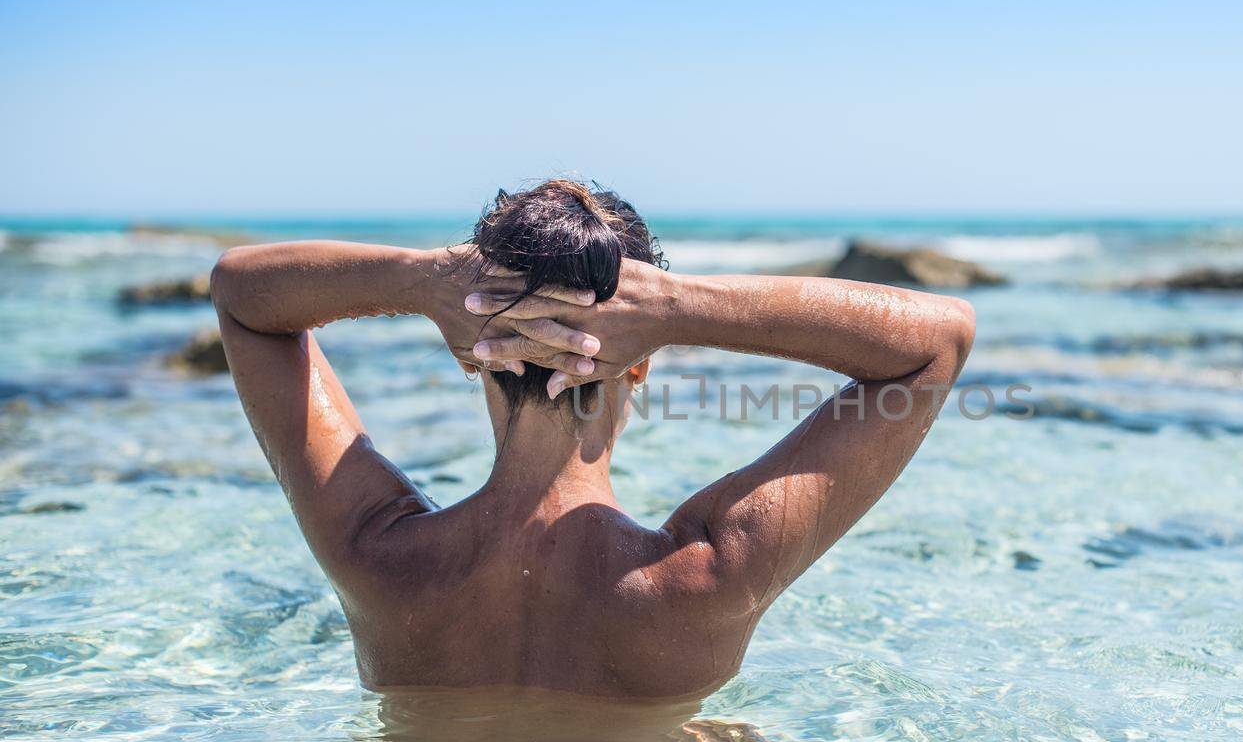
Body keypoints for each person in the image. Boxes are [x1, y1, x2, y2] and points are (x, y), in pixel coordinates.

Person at [210, 179, 975, 697]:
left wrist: (423, 280)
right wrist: (681, 305)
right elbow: (937, 342)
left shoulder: (374, 553)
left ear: (475, 357)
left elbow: (242, 294)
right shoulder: (706, 576)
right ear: (637, 366)